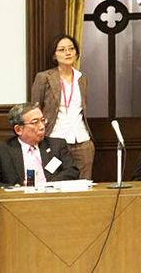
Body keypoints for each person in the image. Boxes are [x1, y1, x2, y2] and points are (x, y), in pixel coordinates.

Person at [31, 34, 94, 180]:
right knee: (55, 182)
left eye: (71, 49)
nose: (68, 53)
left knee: (84, 185)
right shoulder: (44, 77)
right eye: (62, 50)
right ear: (54, 55)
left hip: (82, 140)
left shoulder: (81, 78)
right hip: (54, 139)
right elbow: (35, 108)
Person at [0, 102, 79, 187]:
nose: (41, 126)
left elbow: (72, 171)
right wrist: (13, 188)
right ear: (19, 129)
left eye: (42, 120)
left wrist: (46, 185)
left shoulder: (57, 145)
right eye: (35, 122)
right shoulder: (2, 150)